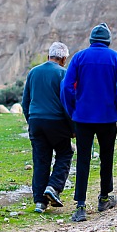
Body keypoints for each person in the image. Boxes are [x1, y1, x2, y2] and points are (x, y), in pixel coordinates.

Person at [61, 23, 117, 222]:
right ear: (108, 40)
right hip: (108, 117)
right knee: (106, 157)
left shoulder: (79, 57)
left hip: (82, 117)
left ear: (91, 39)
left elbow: (66, 87)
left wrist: (73, 109)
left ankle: (80, 206)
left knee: (83, 159)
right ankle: (104, 198)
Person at [21, 42, 73, 213]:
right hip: (56, 121)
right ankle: (54, 187)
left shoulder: (33, 72)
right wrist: (72, 128)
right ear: (64, 59)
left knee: (40, 160)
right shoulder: (63, 74)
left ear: (48, 56)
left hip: (36, 121)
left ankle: (40, 203)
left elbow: (25, 101)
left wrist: (31, 120)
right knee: (65, 152)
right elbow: (67, 103)